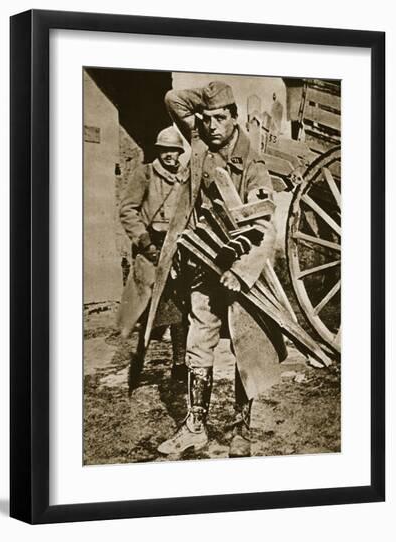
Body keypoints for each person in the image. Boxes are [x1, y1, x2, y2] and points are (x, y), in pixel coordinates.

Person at [150, 81, 286, 457]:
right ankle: (195, 426)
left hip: (242, 270)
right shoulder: (198, 143)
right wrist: (211, 95)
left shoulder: (253, 164)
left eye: (220, 118)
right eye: (206, 119)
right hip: (202, 263)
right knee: (198, 343)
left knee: (247, 344)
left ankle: (241, 427)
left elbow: (264, 226)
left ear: (234, 118)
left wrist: (241, 271)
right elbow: (172, 97)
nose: (211, 126)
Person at [119, 126, 189, 381]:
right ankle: (137, 362)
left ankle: (179, 363)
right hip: (151, 245)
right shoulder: (145, 173)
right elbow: (128, 210)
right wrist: (145, 243)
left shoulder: (183, 176)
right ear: (159, 151)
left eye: (175, 150)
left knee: (179, 306)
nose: (171, 155)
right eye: (166, 150)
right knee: (145, 307)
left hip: (176, 247)